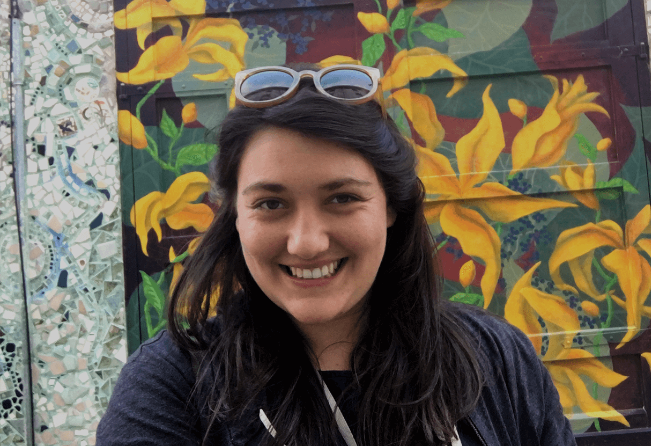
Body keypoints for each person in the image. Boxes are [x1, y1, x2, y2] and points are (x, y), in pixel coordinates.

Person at [97, 64, 576, 446]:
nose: (306, 243)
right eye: (270, 204)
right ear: (235, 217)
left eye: (342, 198)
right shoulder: (170, 387)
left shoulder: (495, 358)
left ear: (391, 205)